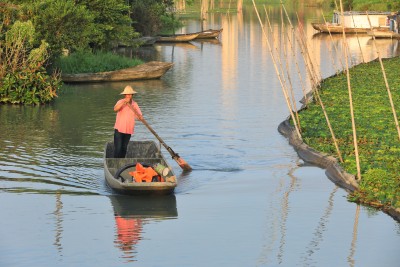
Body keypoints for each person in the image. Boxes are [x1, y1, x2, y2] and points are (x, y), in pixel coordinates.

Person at [113, 85, 143, 158]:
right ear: (124, 95)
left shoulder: (134, 104)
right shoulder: (120, 101)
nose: (128, 96)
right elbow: (115, 109)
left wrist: (139, 116)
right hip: (119, 129)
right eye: (127, 94)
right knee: (118, 148)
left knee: (124, 148)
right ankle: (116, 163)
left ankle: (122, 162)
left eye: (130, 94)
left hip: (129, 129)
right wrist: (124, 103)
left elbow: (139, 116)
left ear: (132, 95)